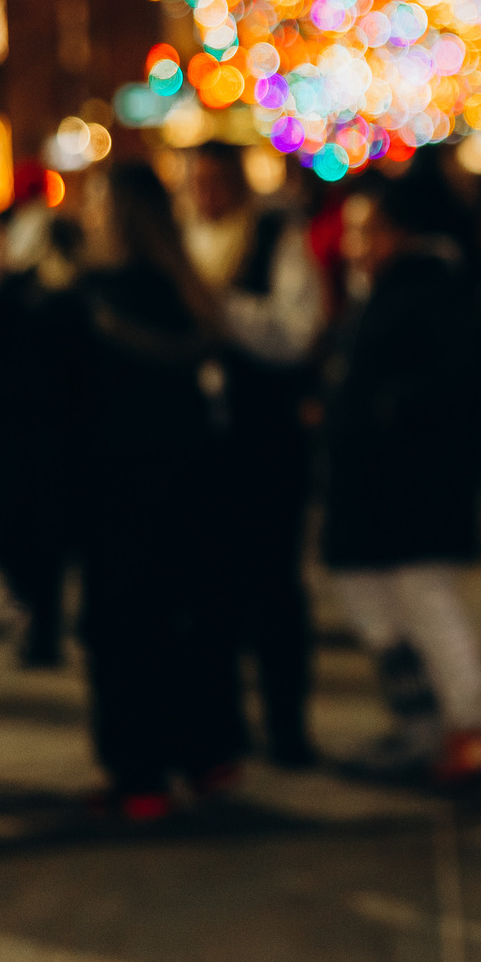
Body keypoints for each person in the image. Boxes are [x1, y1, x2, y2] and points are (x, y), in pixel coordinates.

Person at [68, 160, 247, 821]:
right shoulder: (191, 293)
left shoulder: (90, 300)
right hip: (198, 479)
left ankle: (139, 773)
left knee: (125, 629)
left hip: (118, 485)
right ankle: (208, 754)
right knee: (196, 619)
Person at [321, 161, 481, 789]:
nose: (357, 247)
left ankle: (469, 726)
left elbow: (456, 380)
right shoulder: (390, 287)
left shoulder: (430, 287)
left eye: (366, 232)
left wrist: (383, 408)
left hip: (413, 483)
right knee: (380, 605)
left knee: (426, 600)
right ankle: (423, 724)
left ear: (399, 232)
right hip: (378, 483)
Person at [184, 143, 328, 767]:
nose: (205, 193)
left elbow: (297, 332)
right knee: (210, 589)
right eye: (196, 181)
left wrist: (221, 311)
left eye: (215, 180)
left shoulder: (274, 236)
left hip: (265, 438)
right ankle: (221, 725)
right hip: (200, 446)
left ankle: (286, 724)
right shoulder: (183, 241)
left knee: (273, 587)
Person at [0, 194, 85, 669]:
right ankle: (42, 623)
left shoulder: (36, 299)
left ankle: (41, 625)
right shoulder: (47, 299)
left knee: (31, 535)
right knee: (36, 537)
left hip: (28, 435)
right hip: (34, 434)